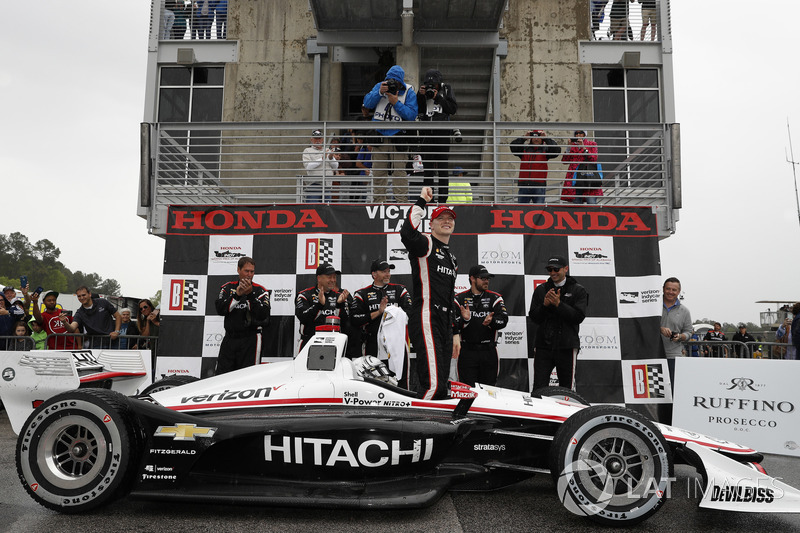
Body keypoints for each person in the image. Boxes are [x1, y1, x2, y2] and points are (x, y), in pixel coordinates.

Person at [400, 187, 458, 400]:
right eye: (440, 218)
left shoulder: (452, 258)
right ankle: (419, 432)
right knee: (432, 384)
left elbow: (450, 297)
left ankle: (437, 433)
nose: (446, 221)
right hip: (426, 315)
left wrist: (456, 331)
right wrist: (422, 201)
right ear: (431, 224)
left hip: (444, 321)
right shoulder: (426, 244)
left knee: (442, 384)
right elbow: (407, 232)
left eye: (450, 218)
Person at [528, 255, 588, 391]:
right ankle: (539, 412)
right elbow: (534, 318)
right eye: (550, 269)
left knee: (567, 388)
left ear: (566, 269)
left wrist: (558, 304)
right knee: (539, 387)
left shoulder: (578, 290)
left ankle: (568, 412)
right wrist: (544, 306)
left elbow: (578, 317)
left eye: (556, 269)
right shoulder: (541, 289)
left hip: (567, 346)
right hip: (543, 346)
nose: (553, 272)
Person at [363, 65, 419, 203]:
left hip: (398, 138)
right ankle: (378, 203)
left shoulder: (408, 92)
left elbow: (412, 115)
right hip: (380, 138)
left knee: (399, 174)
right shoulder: (380, 87)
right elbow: (366, 103)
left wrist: (396, 103)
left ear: (401, 82)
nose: (392, 84)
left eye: (395, 81)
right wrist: (379, 93)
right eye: (389, 80)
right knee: (378, 174)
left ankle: (401, 203)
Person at [214, 256, 271, 374]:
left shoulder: (261, 291)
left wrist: (250, 295)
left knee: (249, 376)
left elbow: (263, 314)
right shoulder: (228, 288)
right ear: (238, 270)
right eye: (246, 271)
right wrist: (237, 296)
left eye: (252, 271)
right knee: (222, 376)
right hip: (230, 339)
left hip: (251, 339)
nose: (249, 274)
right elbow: (220, 309)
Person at [454, 265, 508, 387]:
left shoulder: (495, 297)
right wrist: (465, 320)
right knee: (467, 390)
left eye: (488, 278)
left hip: (488, 352)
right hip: (467, 352)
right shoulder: (459, 298)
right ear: (472, 279)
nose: (486, 281)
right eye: (483, 278)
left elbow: (503, 320)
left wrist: (492, 322)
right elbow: (452, 325)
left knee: (489, 390)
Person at [351, 259, 412, 358]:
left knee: (397, 373)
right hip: (373, 342)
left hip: (396, 341)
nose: (388, 274)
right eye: (384, 272)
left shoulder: (400, 290)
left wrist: (390, 312)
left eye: (388, 271)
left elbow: (409, 312)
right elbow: (355, 319)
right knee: (374, 373)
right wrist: (379, 312)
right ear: (374, 274)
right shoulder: (362, 294)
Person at [416, 69, 458, 203]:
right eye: (429, 85)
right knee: (427, 169)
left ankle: (443, 199)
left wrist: (437, 97)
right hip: (427, 134)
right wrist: (421, 95)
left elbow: (452, 109)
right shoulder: (422, 91)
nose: (431, 87)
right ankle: (428, 199)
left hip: (442, 134)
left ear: (439, 83)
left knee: (442, 168)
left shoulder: (446, 89)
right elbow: (420, 111)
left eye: (433, 85)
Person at [295, 263, 350, 350]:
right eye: (329, 277)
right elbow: (303, 318)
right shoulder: (304, 295)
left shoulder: (339, 296)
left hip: (333, 344)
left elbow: (346, 325)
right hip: (310, 342)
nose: (333, 280)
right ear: (319, 278)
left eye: (334, 277)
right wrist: (319, 305)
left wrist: (340, 305)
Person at [510, 130, 561, 204]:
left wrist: (547, 139)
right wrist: (524, 138)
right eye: (534, 137)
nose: (536, 139)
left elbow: (556, 150)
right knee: (522, 210)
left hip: (539, 186)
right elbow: (513, 147)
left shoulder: (545, 151)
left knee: (539, 210)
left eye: (539, 137)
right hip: (524, 185)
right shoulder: (524, 150)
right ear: (530, 138)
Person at [659, 277, 692, 384]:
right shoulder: (653, 306)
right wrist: (660, 329)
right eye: (668, 289)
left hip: (673, 356)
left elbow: (689, 332)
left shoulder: (685, 311)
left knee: (672, 389)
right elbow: (643, 325)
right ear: (663, 289)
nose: (671, 292)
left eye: (674, 290)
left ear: (679, 291)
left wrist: (680, 336)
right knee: (653, 392)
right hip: (652, 354)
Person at [561, 130, 601, 204]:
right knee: (576, 203)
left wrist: (583, 147)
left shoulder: (592, 144)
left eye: (581, 133)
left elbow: (594, 158)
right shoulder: (573, 146)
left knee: (591, 203)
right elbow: (564, 161)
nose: (578, 135)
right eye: (576, 133)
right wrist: (568, 148)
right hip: (576, 178)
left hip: (589, 176)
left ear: (585, 134)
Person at [302, 129, 339, 202]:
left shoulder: (327, 150)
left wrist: (331, 158)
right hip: (314, 185)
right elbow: (308, 167)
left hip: (327, 186)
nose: (318, 140)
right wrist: (322, 159)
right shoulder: (307, 151)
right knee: (313, 208)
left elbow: (335, 166)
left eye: (319, 138)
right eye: (316, 138)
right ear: (311, 139)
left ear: (322, 139)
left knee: (327, 210)